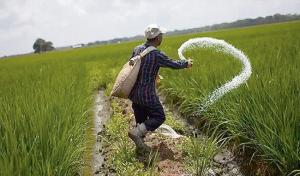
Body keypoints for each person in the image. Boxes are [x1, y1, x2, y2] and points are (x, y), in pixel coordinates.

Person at [128, 24, 193, 151]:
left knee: (141, 120)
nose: (162, 38)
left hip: (134, 94)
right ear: (157, 38)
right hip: (147, 94)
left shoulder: (137, 49)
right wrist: (186, 63)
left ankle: (140, 147)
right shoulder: (156, 54)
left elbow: (135, 67)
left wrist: (153, 72)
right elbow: (173, 64)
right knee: (159, 116)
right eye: (161, 35)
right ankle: (136, 134)